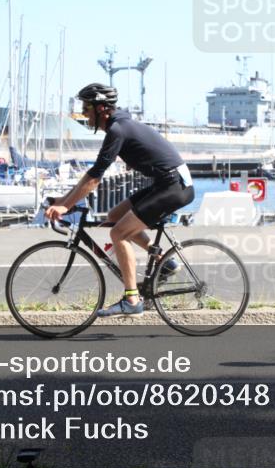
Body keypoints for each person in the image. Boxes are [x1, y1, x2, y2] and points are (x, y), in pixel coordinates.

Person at [45, 83, 194, 317]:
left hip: (174, 187)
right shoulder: (120, 124)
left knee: (118, 234)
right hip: (170, 183)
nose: (84, 113)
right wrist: (64, 200)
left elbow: (94, 178)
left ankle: (132, 300)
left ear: (102, 108)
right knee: (114, 217)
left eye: (87, 107)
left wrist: (66, 205)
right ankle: (165, 263)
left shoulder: (117, 130)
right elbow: (93, 174)